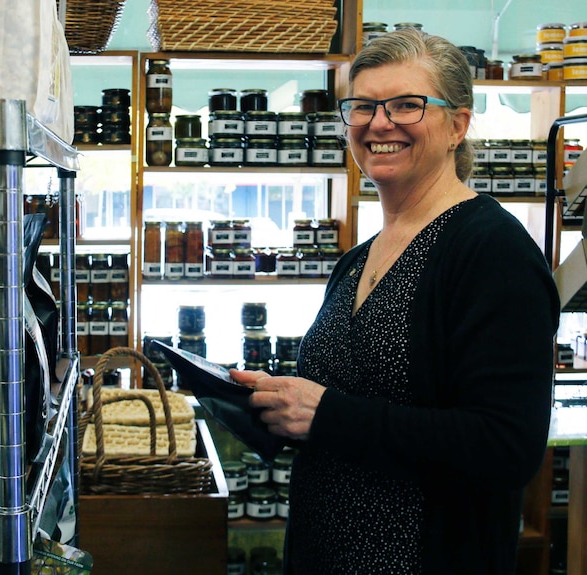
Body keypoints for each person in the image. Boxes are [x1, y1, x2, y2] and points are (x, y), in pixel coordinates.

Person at [231, 29, 560, 575]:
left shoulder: (490, 250)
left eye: (407, 105)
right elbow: (352, 406)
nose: (379, 123)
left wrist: (326, 415)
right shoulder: (357, 260)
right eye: (362, 107)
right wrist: (268, 406)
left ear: (457, 125)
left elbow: (507, 446)